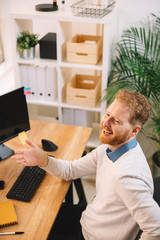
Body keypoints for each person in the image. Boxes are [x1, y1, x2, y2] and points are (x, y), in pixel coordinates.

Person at [12, 89, 160, 240]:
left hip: (90, 236)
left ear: (134, 131)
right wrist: (42, 159)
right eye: (107, 114)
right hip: (88, 221)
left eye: (116, 121)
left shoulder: (128, 177)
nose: (105, 123)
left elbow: (156, 229)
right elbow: (71, 170)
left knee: (28, 233)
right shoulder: (109, 149)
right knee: (36, 216)